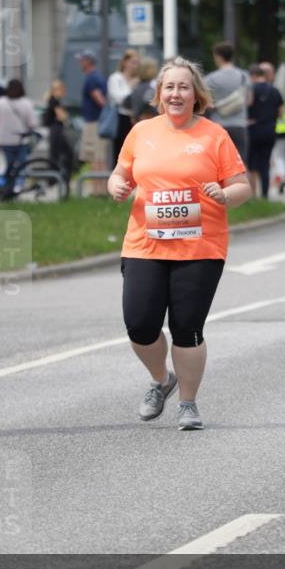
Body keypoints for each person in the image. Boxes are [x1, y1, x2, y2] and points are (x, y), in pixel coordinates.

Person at [108, 56, 251, 431]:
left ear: (196, 95)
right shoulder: (141, 132)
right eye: (169, 87)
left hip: (200, 248)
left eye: (183, 87)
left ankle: (188, 403)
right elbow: (120, 173)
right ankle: (161, 379)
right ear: (159, 93)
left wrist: (224, 195)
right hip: (144, 245)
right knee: (139, 325)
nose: (176, 93)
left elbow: (242, 187)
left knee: (187, 328)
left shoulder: (213, 136)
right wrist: (116, 186)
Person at [0, 79, 38, 193]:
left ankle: (3, 187)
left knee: (5, 166)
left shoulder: (1, 102)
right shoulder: (26, 103)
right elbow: (32, 124)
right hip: (21, 141)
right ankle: (17, 187)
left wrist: (3, 126)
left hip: (3, 140)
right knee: (21, 166)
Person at [205, 41, 249, 163]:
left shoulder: (211, 78)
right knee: (240, 162)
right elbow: (249, 100)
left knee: (219, 162)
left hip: (218, 124)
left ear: (218, 57)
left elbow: (205, 101)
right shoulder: (244, 76)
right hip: (239, 124)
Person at [247, 64, 283, 198]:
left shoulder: (251, 89)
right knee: (265, 163)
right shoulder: (275, 91)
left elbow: (247, 105)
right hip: (270, 130)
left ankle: (253, 195)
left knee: (252, 164)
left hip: (254, 129)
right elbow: (281, 112)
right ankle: (265, 194)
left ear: (253, 76)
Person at [77, 50, 108, 195]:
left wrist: (105, 112)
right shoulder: (97, 77)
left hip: (94, 123)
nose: (79, 63)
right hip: (97, 122)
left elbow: (99, 99)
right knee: (99, 156)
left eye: (81, 60)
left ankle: (98, 190)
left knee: (96, 156)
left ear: (88, 61)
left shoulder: (92, 79)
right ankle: (101, 189)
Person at [107, 48, 140, 166]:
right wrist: (130, 87)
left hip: (135, 118)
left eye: (137, 63)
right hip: (121, 117)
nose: (135, 66)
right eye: (132, 62)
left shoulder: (138, 79)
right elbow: (119, 98)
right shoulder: (116, 78)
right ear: (125, 62)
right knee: (120, 150)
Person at [43, 79, 75, 185]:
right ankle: (56, 179)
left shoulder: (53, 100)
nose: (64, 93)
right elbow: (61, 116)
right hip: (56, 130)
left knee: (56, 154)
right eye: (63, 90)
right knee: (64, 154)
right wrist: (65, 115)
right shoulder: (54, 101)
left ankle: (54, 179)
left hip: (55, 130)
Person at [125, 57, 158, 124]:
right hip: (152, 122)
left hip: (138, 122)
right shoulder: (153, 86)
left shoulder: (137, 87)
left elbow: (126, 103)